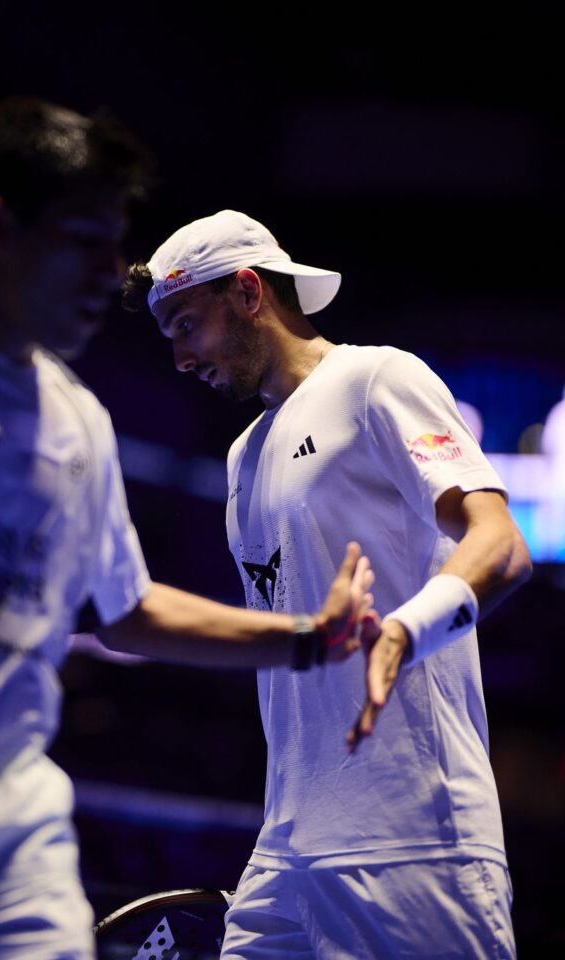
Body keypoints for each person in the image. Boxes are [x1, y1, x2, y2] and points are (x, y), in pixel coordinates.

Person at [0, 105, 376, 960]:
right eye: (85, 240)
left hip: (11, 853)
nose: (110, 275)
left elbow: (125, 608)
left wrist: (306, 637)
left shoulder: (80, 423)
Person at [123, 208, 533, 959]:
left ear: (249, 292)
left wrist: (408, 629)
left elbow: (501, 544)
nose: (180, 358)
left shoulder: (378, 378)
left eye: (186, 324)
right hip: (287, 848)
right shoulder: (244, 456)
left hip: (415, 841)